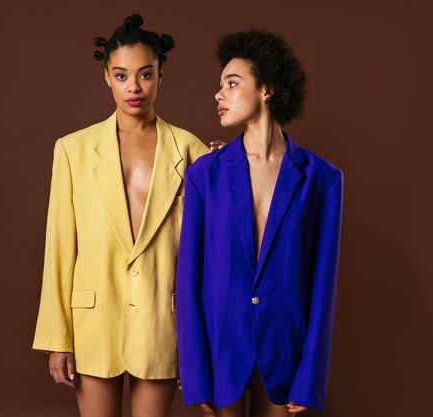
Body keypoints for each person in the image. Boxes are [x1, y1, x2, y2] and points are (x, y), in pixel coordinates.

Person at [32, 14, 208, 417]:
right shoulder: (73, 150)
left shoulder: (191, 151)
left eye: (146, 74)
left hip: (162, 320)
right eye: (122, 74)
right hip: (94, 320)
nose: (134, 87)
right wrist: (58, 338)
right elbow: (60, 248)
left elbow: (208, 250)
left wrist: (201, 339)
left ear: (161, 75)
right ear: (106, 77)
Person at [176, 29, 343, 417]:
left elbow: (323, 288)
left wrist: (311, 377)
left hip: (287, 353)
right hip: (221, 353)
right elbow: (188, 282)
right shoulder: (204, 175)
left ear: (266, 89)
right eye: (220, 85)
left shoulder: (323, 178)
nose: (219, 94)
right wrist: (195, 372)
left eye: (232, 84)